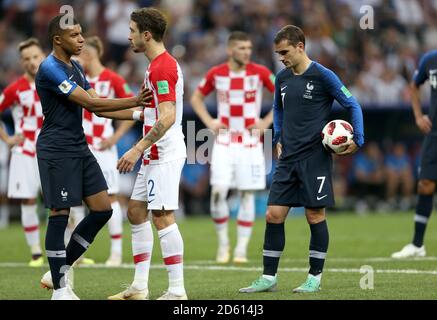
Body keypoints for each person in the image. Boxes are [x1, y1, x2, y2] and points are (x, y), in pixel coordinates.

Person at [239, 25, 364, 294]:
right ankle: (268, 277)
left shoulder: (323, 75)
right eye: (277, 53)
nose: (280, 57)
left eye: (284, 52)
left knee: (314, 214)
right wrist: (277, 138)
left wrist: (359, 139)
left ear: (300, 47)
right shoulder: (282, 78)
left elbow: (353, 104)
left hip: (314, 157)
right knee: (273, 214)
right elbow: (277, 108)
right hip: (287, 158)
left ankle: (314, 278)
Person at [35, 14, 150, 300]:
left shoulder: (75, 67)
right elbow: (89, 101)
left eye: (81, 33)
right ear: (57, 39)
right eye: (75, 35)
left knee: (103, 209)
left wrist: (141, 115)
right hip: (56, 150)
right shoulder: (50, 69)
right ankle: (60, 291)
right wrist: (136, 99)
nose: (82, 39)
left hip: (78, 147)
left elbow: (99, 109)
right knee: (59, 214)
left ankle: (58, 270)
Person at [108, 7, 187, 300]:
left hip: (164, 153)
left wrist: (136, 147)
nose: (127, 36)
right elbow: (154, 112)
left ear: (146, 34)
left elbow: (167, 117)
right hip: (153, 153)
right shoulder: (154, 66)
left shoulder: (162, 67)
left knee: (162, 217)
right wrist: (110, 110)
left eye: (131, 31)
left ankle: (177, 291)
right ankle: (140, 286)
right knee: (136, 211)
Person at [190, 31, 275, 263]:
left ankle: (241, 250)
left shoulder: (261, 73)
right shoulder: (217, 73)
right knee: (218, 192)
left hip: (250, 143)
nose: (247, 52)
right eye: (241, 48)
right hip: (224, 142)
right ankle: (223, 245)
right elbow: (196, 98)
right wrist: (209, 122)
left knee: (247, 194)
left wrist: (265, 123)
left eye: (249, 48)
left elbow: (283, 96)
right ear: (230, 50)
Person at [68, 36, 137, 267]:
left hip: (103, 148)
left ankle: (116, 252)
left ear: (93, 53)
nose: (79, 58)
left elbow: (134, 107)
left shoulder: (113, 78)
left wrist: (116, 137)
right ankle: (76, 254)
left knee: (111, 197)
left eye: (83, 53)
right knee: (74, 199)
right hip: (78, 147)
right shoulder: (75, 79)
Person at [0, 38, 45, 266]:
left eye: (35, 56)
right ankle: (36, 252)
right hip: (25, 150)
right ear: (21, 62)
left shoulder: (54, 83)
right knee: (28, 200)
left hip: (51, 149)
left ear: (43, 56)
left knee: (63, 200)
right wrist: (7, 138)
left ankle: (71, 252)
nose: (31, 62)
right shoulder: (14, 89)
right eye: (26, 58)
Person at [391, 49, 437, 259]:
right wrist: (418, 116)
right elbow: (414, 85)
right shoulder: (430, 59)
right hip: (434, 133)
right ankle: (417, 244)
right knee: (425, 183)